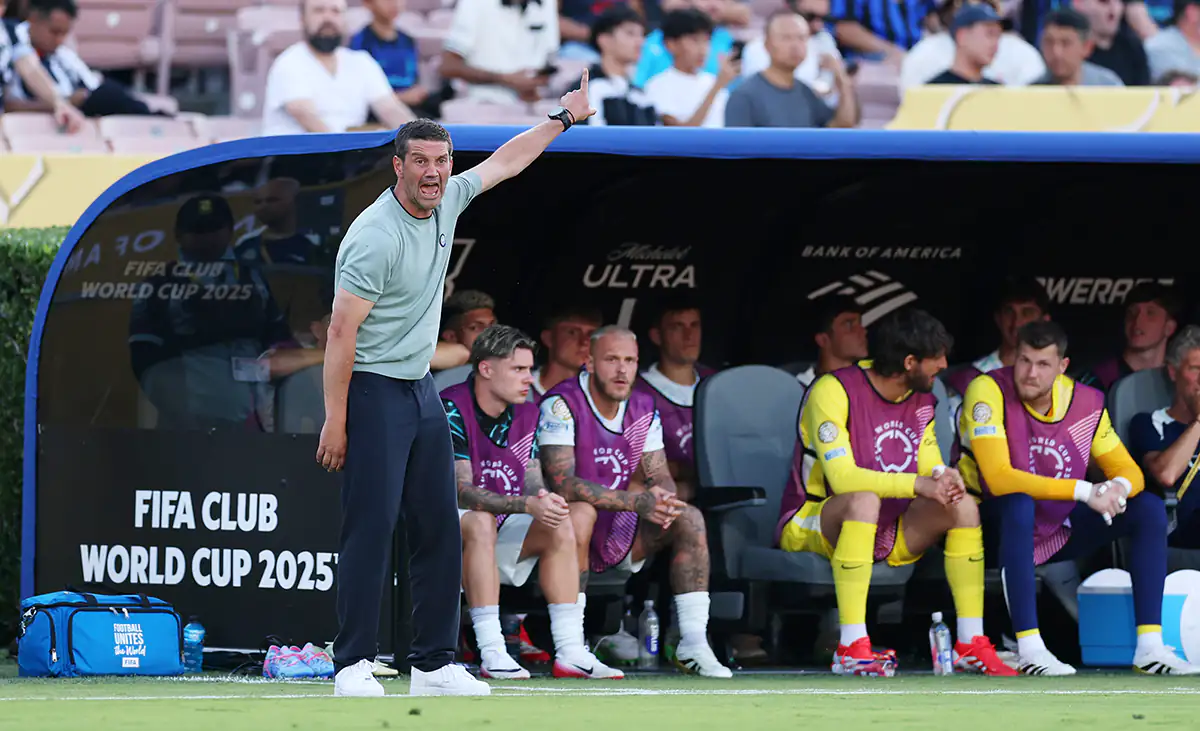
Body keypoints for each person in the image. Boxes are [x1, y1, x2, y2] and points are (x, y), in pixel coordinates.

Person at [316, 74, 596, 697]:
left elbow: (508, 159)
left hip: (418, 390)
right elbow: (339, 335)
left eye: (441, 161)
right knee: (370, 526)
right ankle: (352, 664)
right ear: (397, 167)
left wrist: (564, 117)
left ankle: (435, 663)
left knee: (441, 522)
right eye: (420, 161)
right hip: (371, 390)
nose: (433, 172)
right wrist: (336, 419)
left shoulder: (448, 198)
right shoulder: (374, 235)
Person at [776, 308, 1014, 677]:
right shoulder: (833, 390)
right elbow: (842, 479)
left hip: (889, 526)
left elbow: (926, 454)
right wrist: (918, 485)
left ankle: (970, 644)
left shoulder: (922, 395)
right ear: (909, 362)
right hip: (815, 521)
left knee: (962, 505)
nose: (945, 365)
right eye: (936, 358)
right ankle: (851, 647)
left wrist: (941, 474)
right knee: (863, 498)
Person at [959, 320, 1199, 676]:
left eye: (1043, 365)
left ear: (1062, 367)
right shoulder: (987, 389)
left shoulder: (1084, 403)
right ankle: (1030, 647)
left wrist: (1114, 489)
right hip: (992, 523)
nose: (1030, 373)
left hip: (1057, 524)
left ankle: (1150, 646)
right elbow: (999, 478)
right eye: (1024, 361)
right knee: (1019, 504)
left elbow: (1130, 473)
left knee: (1147, 506)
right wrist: (1087, 491)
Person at [537, 326, 733, 678]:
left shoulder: (643, 407)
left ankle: (693, 643)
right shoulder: (561, 403)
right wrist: (636, 500)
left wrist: (663, 495)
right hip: (564, 532)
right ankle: (573, 647)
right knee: (580, 514)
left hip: (621, 528)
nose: (622, 370)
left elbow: (658, 473)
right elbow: (563, 484)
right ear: (589, 363)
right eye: (612, 360)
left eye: (629, 361)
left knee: (689, 518)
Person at [442, 325, 624, 680]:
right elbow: (461, 491)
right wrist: (527, 506)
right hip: (449, 529)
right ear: (486, 369)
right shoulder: (450, 407)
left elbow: (532, 479)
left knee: (571, 514)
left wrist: (544, 499)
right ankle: (492, 650)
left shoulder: (529, 411)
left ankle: (571, 650)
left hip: (501, 525)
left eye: (529, 369)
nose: (529, 378)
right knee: (479, 521)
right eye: (519, 369)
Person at [262, 0, 413, 135]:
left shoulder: (362, 62)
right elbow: (308, 118)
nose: (328, 18)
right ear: (302, 19)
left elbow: (391, 110)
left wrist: (423, 139)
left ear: (345, 19)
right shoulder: (289, 63)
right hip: (296, 160)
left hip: (347, 157)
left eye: (335, 11)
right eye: (319, 10)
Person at [1129, 325, 1200, 550]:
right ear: (1173, 372)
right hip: (1178, 533)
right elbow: (1166, 475)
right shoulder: (1148, 423)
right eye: (1196, 368)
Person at [634, 298, 711, 502]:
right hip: (666, 502)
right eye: (678, 327)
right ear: (657, 336)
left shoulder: (718, 384)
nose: (689, 335)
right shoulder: (636, 391)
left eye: (694, 325)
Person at [724, 11, 857, 128]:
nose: (795, 45)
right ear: (767, 44)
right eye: (786, 38)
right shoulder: (745, 96)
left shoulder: (805, 93)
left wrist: (842, 80)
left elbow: (842, 125)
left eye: (802, 38)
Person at [945, 276, 1050, 399]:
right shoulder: (969, 380)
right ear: (998, 318)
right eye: (1009, 312)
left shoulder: (1057, 382)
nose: (1016, 322)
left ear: (1045, 321)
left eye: (1027, 312)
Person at [643, 8, 739, 127]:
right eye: (695, 40)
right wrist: (716, 88)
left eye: (706, 41)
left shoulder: (713, 81)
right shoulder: (658, 85)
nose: (702, 49)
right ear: (671, 44)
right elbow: (682, 134)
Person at [1078, 283, 1179, 393]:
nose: (1137, 321)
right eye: (1132, 312)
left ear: (1169, 327)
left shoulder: (1178, 381)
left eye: (1150, 313)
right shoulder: (1099, 379)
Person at [349, 0, 433, 111]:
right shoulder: (360, 43)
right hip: (378, 111)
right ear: (368, 3)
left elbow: (413, 79)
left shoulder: (408, 40)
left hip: (413, 107)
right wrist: (401, 97)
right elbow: (359, 92)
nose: (395, 3)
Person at [584, 5, 658, 127]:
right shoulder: (588, 89)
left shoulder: (640, 92)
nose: (640, 42)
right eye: (630, 34)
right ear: (604, 40)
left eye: (641, 35)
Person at [1033, 8, 1124, 85]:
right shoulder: (1032, 93)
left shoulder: (1108, 86)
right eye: (1049, 42)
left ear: (1087, 47)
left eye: (1066, 43)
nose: (1056, 52)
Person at [796, 296, 868, 390]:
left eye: (860, 324)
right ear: (823, 340)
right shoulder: (796, 391)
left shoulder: (873, 386)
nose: (863, 331)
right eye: (849, 324)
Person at [532, 305, 603, 400]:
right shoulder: (516, 387)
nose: (584, 342)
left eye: (591, 334)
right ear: (548, 338)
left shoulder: (602, 398)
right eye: (573, 332)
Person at [926, 3, 1003, 84]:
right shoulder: (935, 90)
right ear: (961, 36)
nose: (995, 44)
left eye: (998, 36)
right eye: (990, 33)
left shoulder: (999, 91)